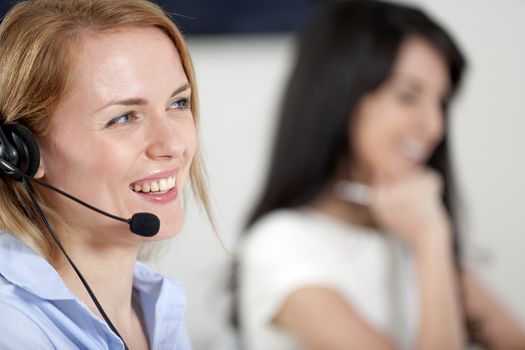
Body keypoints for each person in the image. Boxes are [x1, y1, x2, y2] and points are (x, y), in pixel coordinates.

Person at [237, 1, 525, 349]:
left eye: (440, 102)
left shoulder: (407, 225)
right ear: (339, 97)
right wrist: (431, 239)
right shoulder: (281, 243)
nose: (435, 126)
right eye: (408, 96)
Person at [0, 0, 212, 349]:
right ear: (21, 150)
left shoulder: (157, 310)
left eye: (178, 103)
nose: (173, 144)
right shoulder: (13, 329)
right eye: (124, 117)